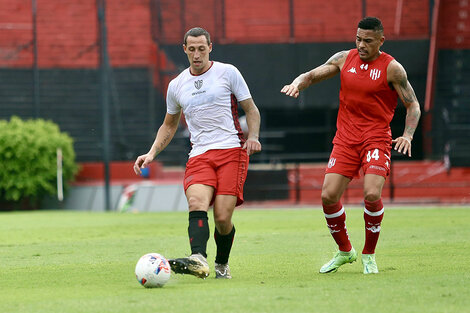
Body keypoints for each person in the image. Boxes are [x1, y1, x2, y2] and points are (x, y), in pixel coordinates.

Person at [281, 17, 421, 274]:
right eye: (358, 39)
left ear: (381, 40)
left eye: (368, 40)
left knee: (371, 194)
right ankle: (346, 251)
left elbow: (412, 104)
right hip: (346, 139)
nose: (361, 45)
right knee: (328, 196)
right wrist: (297, 84)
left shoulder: (392, 69)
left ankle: (369, 254)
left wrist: (408, 135)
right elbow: (311, 75)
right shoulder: (345, 58)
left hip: (376, 138)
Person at [134, 27, 262, 279]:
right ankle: (198, 259)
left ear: (210, 47)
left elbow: (252, 109)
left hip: (231, 151)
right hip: (200, 154)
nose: (196, 54)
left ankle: (221, 264)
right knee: (196, 203)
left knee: (223, 218)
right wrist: (151, 154)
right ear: (184, 49)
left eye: (201, 49)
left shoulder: (228, 72)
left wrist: (254, 137)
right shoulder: (176, 85)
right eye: (191, 49)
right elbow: (169, 125)